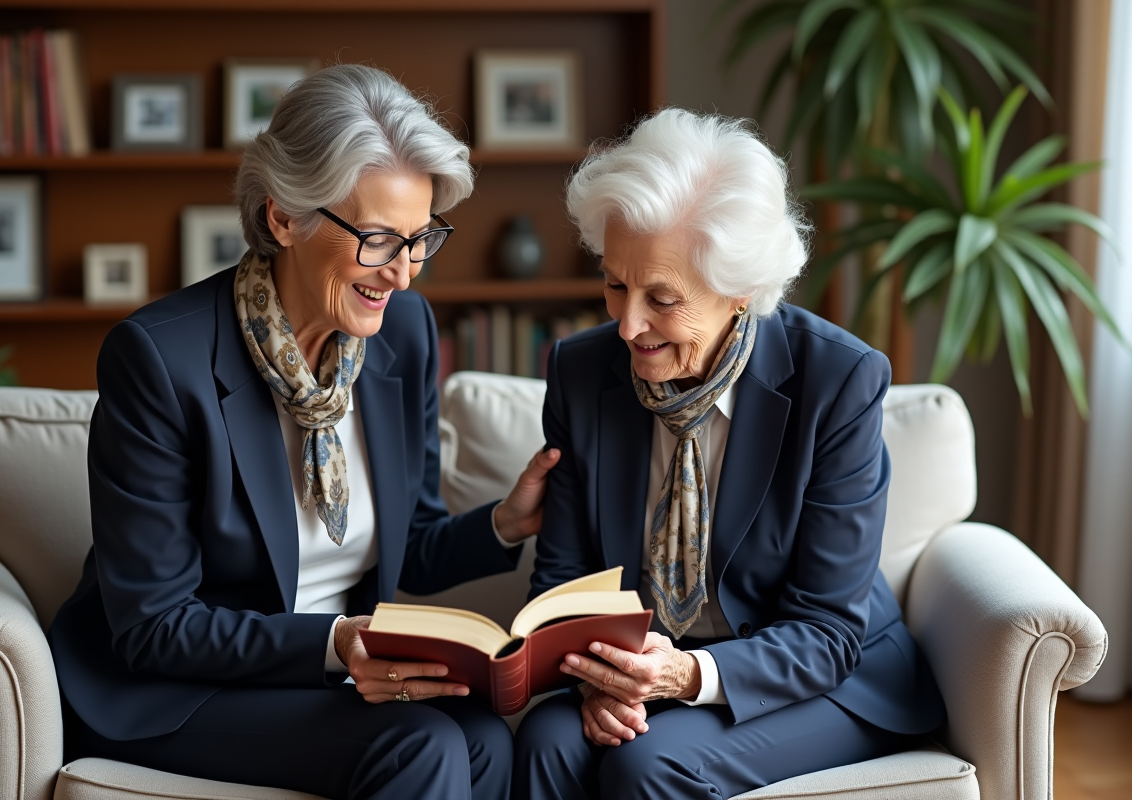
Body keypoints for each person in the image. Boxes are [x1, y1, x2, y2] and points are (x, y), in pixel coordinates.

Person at [48, 64, 559, 800]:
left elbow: (407, 543)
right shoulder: (160, 359)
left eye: (420, 239)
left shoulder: (402, 333)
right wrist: (335, 644)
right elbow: (155, 625)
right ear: (284, 217)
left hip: (324, 674)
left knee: (482, 736)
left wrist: (506, 523)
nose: (403, 275)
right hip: (176, 689)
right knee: (419, 746)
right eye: (378, 239)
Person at [512, 108, 945, 800]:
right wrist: (598, 681)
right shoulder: (580, 371)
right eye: (615, 284)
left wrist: (684, 676)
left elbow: (828, 629)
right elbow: (563, 581)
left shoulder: (837, 382)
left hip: (821, 676)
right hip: (641, 665)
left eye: (662, 298)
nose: (627, 324)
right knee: (546, 740)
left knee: (649, 764)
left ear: (740, 290)